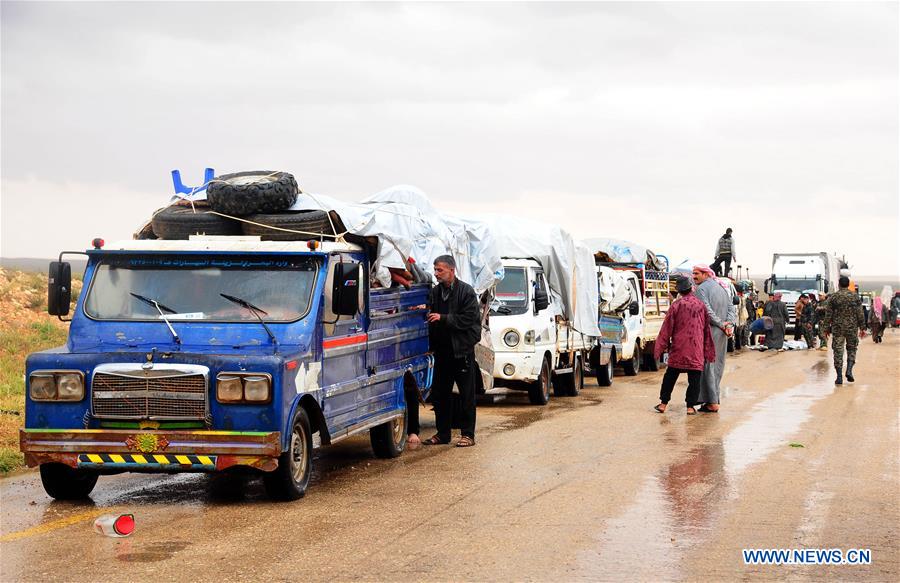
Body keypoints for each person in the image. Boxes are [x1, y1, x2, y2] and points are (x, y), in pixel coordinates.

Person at [422, 255, 481, 447]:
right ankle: (443, 434)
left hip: (461, 352)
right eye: (435, 270)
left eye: (440, 270)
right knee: (440, 395)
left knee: (466, 396)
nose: (436, 274)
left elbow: (468, 320)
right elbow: (430, 312)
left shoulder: (466, 292)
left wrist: (443, 318)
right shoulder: (435, 292)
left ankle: (468, 435)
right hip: (443, 352)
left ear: (451, 270)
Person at [653, 277, 716, 415]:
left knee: (670, 376)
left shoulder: (676, 305)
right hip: (696, 349)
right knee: (694, 379)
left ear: (679, 291)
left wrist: (659, 348)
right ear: (691, 288)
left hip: (679, 348)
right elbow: (706, 330)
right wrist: (708, 350)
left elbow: (666, 328)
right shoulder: (700, 305)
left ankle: (663, 404)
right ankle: (690, 407)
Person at [692, 265, 735, 412]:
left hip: (709, 332)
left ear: (706, 274)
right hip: (722, 332)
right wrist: (728, 324)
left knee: (707, 366)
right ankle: (712, 399)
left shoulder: (701, 289)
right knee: (717, 365)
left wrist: (722, 324)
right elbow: (731, 309)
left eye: (696, 273)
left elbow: (706, 311)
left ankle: (712, 402)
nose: (693, 276)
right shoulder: (721, 288)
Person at [823, 276, 866, 385]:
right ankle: (849, 370)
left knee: (838, 351)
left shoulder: (833, 297)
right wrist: (862, 328)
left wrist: (826, 328)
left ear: (839, 284)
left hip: (838, 328)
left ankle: (839, 377)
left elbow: (828, 314)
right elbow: (860, 313)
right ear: (848, 284)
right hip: (852, 328)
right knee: (852, 349)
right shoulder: (854, 297)